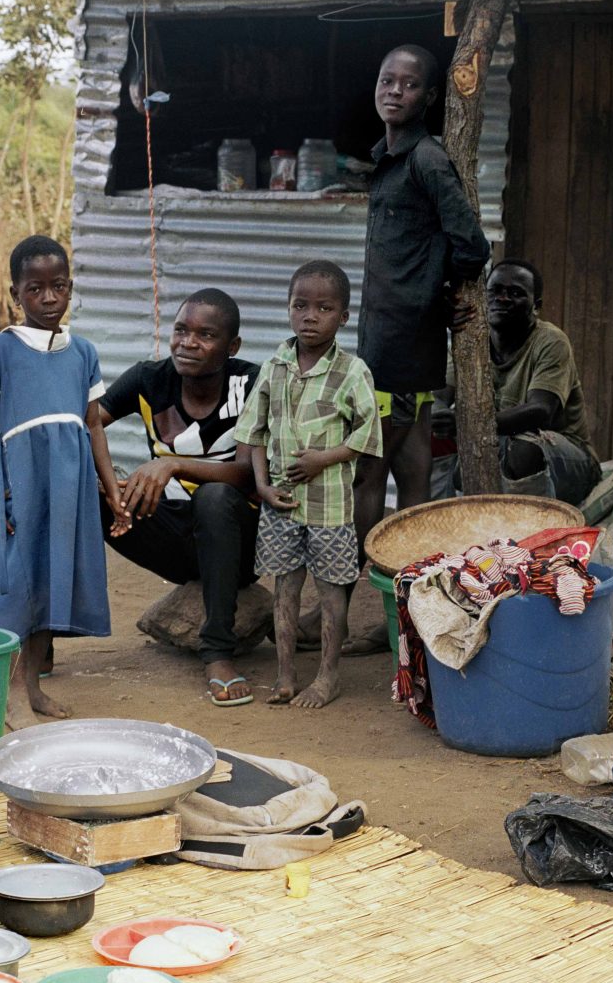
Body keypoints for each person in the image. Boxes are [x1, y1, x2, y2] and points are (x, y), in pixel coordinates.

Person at [0, 234, 126, 722]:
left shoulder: (84, 353)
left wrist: (112, 490)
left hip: (69, 484)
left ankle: (33, 688)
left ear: (71, 287)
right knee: (16, 582)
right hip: (20, 479)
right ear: (16, 293)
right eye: (35, 289)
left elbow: (94, 423)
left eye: (58, 286)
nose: (49, 298)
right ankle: (13, 692)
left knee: (49, 581)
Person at [100, 288, 261, 707]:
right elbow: (82, 423)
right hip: (174, 538)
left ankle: (217, 652)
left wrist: (171, 464)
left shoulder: (251, 384)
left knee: (214, 497)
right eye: (181, 330)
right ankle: (47, 636)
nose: (188, 343)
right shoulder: (149, 380)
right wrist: (103, 479)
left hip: (240, 540)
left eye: (205, 335)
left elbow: (246, 475)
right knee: (84, 495)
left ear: (232, 346)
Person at [354, 44, 488, 536]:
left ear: (429, 96)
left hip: (398, 345)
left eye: (409, 85)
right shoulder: (388, 157)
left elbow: (471, 244)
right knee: (412, 472)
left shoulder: (426, 160)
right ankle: (406, 596)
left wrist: (439, 291)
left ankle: (349, 594)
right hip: (397, 343)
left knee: (367, 472)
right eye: (388, 80)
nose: (394, 92)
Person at [240, 260, 381, 710]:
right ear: (288, 308)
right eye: (300, 305)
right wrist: (261, 486)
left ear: (342, 317)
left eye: (324, 308)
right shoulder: (274, 367)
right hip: (280, 504)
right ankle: (284, 675)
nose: (310, 316)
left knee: (331, 591)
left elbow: (367, 434)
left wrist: (324, 459)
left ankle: (327, 676)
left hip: (330, 506)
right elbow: (255, 432)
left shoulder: (352, 371)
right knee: (285, 588)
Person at [479, 260, 599, 502]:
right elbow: (441, 396)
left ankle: (531, 531)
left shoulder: (550, 341)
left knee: (524, 448)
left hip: (566, 459)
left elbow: (540, 410)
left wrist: (473, 425)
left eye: (515, 293)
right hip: (499, 444)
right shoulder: (474, 342)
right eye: (495, 291)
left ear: (536, 306)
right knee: (437, 440)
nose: (502, 298)